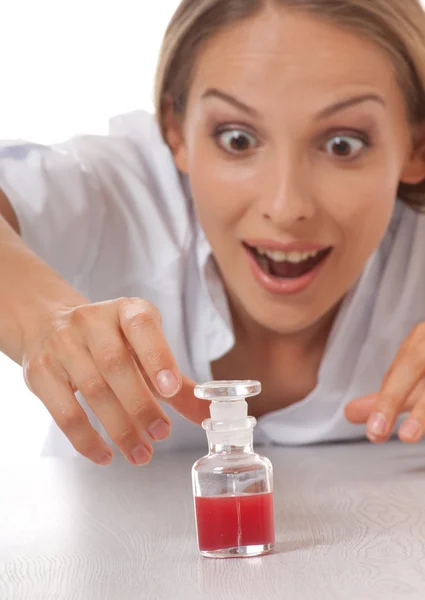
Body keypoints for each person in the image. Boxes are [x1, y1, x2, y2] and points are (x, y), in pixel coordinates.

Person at [2, 0, 425, 466]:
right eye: (237, 140)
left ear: (417, 146)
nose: (286, 208)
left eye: (342, 145)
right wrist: (43, 319)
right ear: (176, 132)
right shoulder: (122, 191)